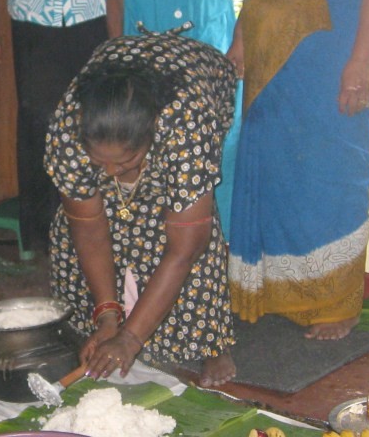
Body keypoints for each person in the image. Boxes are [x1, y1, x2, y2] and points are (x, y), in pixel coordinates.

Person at [44, 30, 238, 387]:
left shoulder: (187, 126)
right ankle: (113, 321)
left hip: (202, 74)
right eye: (99, 162)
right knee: (104, 212)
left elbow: (185, 249)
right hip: (119, 90)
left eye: (124, 161)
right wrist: (107, 315)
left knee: (190, 228)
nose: (110, 173)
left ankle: (212, 341)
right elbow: (88, 229)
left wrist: (131, 338)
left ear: (152, 135)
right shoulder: (68, 127)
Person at [227, 0, 369, 339]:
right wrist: (242, 36)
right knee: (277, 169)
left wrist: (362, 62)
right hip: (273, 56)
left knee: (331, 170)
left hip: (336, 45)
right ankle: (279, 295)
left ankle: (337, 305)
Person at [0, 0, 108, 255]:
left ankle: (100, 237)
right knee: (41, 128)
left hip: (96, 10)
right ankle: (46, 240)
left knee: (100, 127)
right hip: (34, 14)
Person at [106, 0, 248, 241]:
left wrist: (241, 40)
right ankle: (160, 247)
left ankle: (223, 246)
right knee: (153, 154)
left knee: (220, 154)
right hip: (145, 65)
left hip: (210, 60)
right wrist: (117, 59)